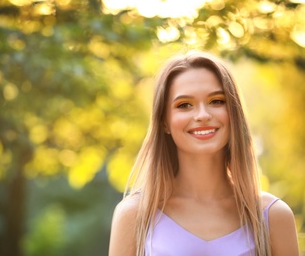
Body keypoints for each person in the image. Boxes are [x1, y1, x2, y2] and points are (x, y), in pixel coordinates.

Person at [108, 52, 299, 256]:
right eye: (184, 105)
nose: (203, 115)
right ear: (164, 122)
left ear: (233, 113)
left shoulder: (272, 216)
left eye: (216, 101)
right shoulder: (135, 215)